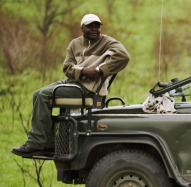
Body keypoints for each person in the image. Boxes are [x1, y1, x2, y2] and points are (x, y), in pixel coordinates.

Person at [12, 14, 130, 158]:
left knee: (43, 95)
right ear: (82, 28)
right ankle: (48, 143)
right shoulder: (75, 44)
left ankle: (35, 144)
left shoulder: (107, 42)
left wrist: (100, 70)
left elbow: (124, 56)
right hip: (74, 83)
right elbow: (67, 68)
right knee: (37, 93)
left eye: (97, 26)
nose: (94, 29)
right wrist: (83, 71)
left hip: (89, 89)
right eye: (90, 26)